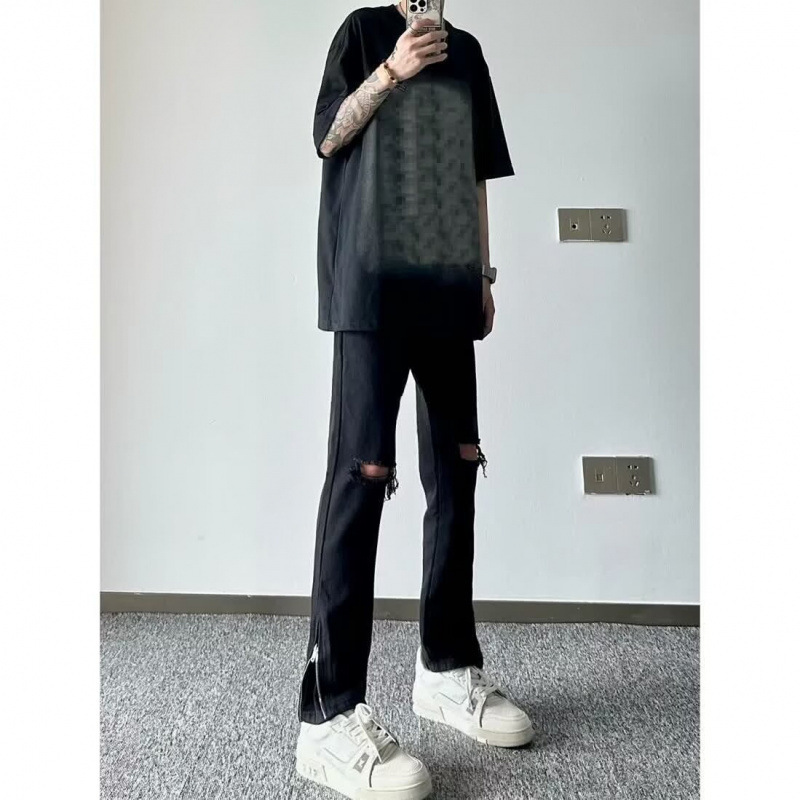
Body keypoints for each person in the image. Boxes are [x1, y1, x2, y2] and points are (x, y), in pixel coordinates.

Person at [295, 3, 533, 797]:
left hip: (448, 286)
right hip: (370, 285)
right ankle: (328, 715)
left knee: (457, 471)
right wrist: (392, 71)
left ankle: (447, 668)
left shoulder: (469, 52)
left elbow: (475, 171)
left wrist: (484, 275)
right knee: (360, 482)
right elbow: (328, 136)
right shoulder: (362, 32)